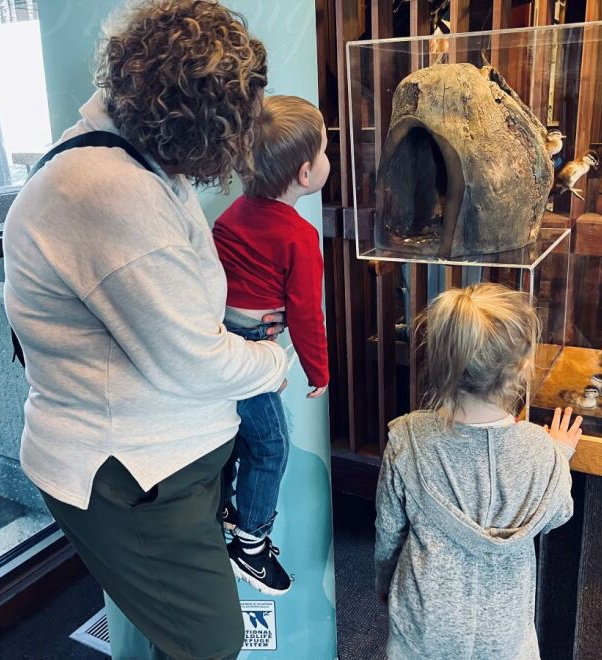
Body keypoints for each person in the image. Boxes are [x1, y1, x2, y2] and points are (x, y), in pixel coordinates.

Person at [2, 2, 283, 658]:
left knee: (183, 637)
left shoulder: (132, 160)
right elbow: (187, 358)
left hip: (169, 459)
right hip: (129, 470)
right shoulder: (107, 190)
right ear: (200, 123)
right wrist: (274, 362)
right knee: (210, 642)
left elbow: (174, 312)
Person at [374, 283, 582, 659]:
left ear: (439, 358)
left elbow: (389, 530)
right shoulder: (542, 449)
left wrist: (383, 582)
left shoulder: (407, 438)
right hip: (504, 630)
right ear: (522, 368)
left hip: (425, 623)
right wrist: (559, 454)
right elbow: (558, 513)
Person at [211, 95, 330, 595]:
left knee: (236, 436)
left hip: (218, 343)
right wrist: (319, 371)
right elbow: (304, 313)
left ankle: (223, 508)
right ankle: (251, 543)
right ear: (305, 174)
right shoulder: (299, 237)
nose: (328, 161)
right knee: (272, 445)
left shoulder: (231, 215)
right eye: (325, 152)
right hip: (252, 354)